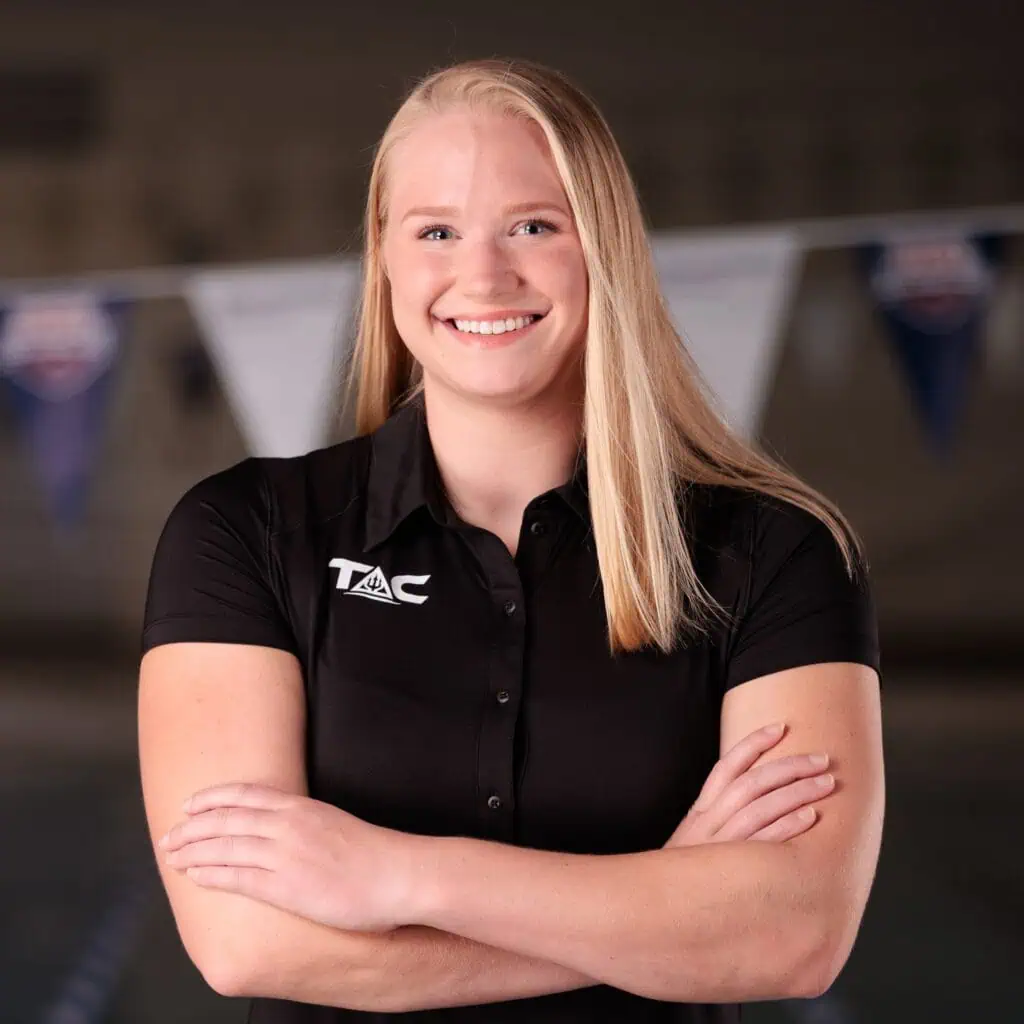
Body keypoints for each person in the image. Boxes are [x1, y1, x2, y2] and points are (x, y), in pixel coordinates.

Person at [138, 58, 884, 1024]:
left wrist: (398, 874)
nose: (484, 275)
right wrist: (664, 901)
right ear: (385, 257)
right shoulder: (244, 533)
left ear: (604, 247)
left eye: (534, 225)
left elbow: (793, 936)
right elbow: (247, 943)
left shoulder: (775, 552)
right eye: (436, 231)